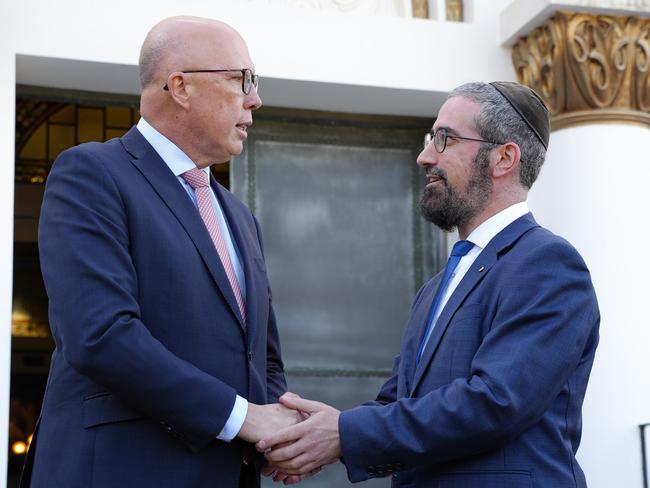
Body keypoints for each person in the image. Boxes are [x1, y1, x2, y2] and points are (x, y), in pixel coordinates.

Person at [257, 81, 600, 487]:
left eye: (444, 139)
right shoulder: (437, 287)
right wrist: (311, 437)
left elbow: (496, 402)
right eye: (429, 139)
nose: (424, 156)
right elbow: (397, 404)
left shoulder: (547, 263)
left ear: (504, 157)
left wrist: (343, 434)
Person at [21, 16, 302, 488]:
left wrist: (276, 435)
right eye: (242, 79)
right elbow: (101, 335)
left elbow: (263, 357)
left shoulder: (239, 216)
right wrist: (244, 419)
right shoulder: (91, 173)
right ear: (181, 86)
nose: (255, 99)